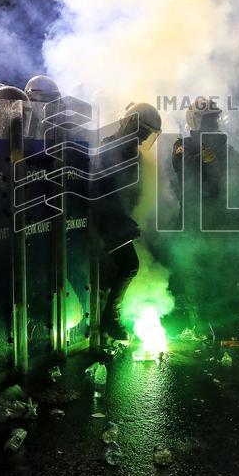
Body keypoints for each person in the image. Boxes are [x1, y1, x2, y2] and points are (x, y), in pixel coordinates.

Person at [93, 101, 162, 340]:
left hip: (115, 218)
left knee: (117, 268)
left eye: (147, 134)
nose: (144, 138)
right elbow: (105, 188)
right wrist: (120, 219)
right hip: (106, 219)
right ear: (131, 123)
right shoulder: (112, 148)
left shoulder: (126, 150)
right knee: (128, 265)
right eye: (142, 132)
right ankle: (108, 320)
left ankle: (103, 320)